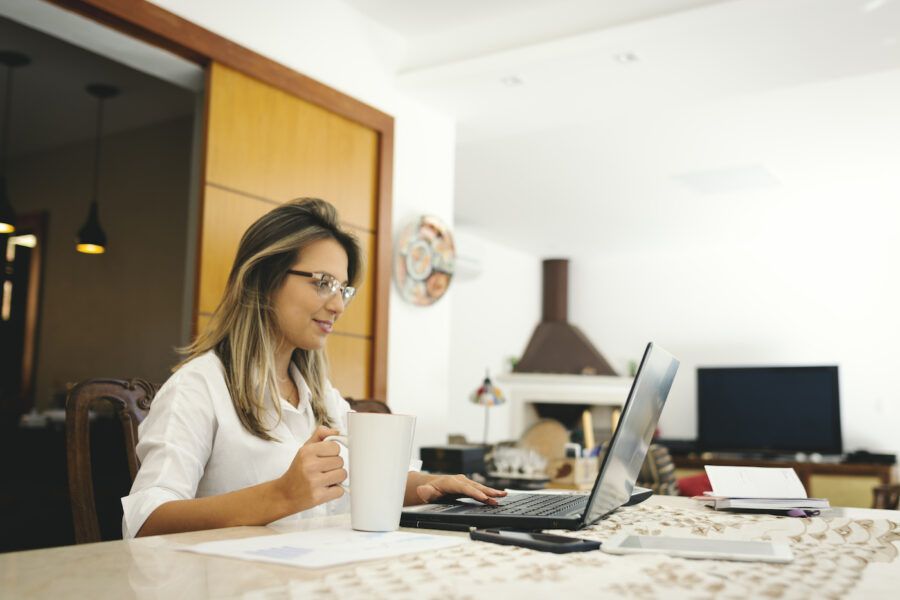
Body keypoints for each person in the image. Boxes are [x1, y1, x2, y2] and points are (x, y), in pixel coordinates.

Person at [122, 198, 505, 538]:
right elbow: (145, 521)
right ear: (265, 278)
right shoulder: (197, 387)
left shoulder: (319, 393)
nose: (338, 306)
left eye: (343, 289)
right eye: (323, 283)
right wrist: (279, 495)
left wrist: (436, 483)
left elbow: (372, 479)